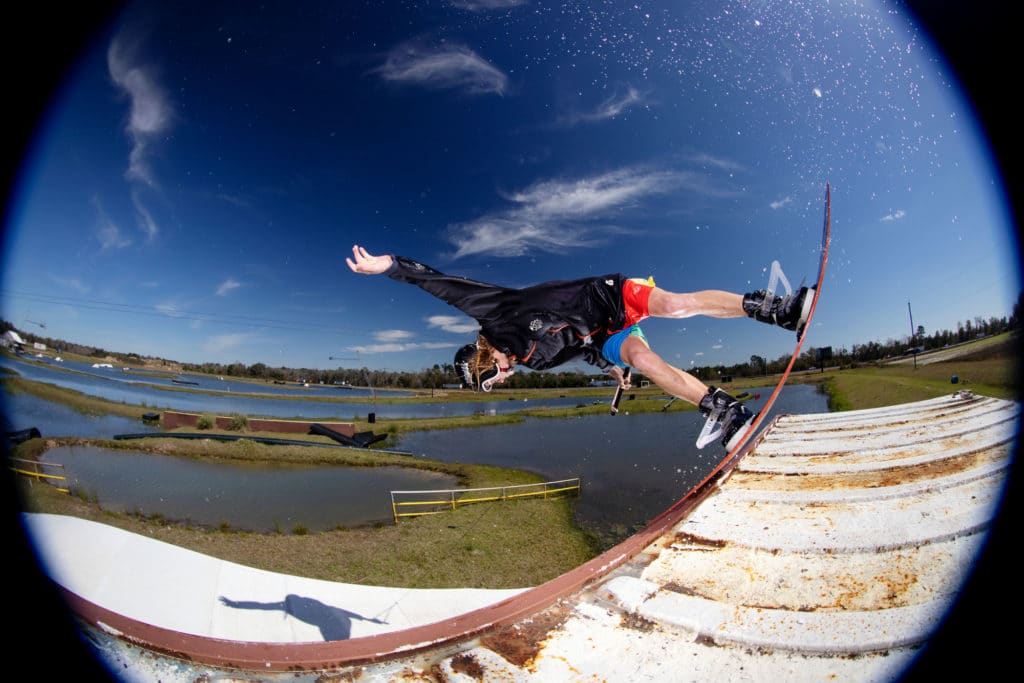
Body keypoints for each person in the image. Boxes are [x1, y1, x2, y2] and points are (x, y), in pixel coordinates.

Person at [346, 245, 813, 450]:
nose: (501, 381)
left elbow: (448, 286)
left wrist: (393, 266)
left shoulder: (495, 315)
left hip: (603, 296)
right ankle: (726, 412)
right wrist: (611, 367)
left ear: (482, 359)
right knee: (646, 361)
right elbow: (584, 352)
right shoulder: (539, 362)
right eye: (494, 386)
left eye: (490, 377)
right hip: (606, 338)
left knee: (672, 304)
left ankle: (777, 309)